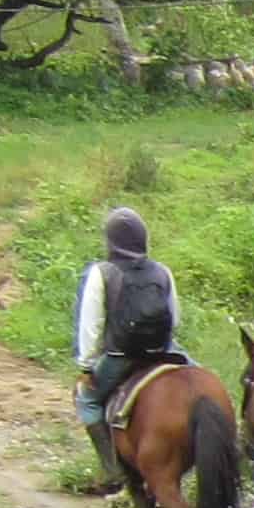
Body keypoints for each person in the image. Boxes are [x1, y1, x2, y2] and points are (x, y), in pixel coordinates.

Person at [71, 207, 180, 489]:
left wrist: (86, 365)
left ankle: (112, 471)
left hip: (121, 356)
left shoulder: (103, 273)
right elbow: (175, 317)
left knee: (87, 399)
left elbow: (91, 324)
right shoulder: (162, 271)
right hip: (162, 352)